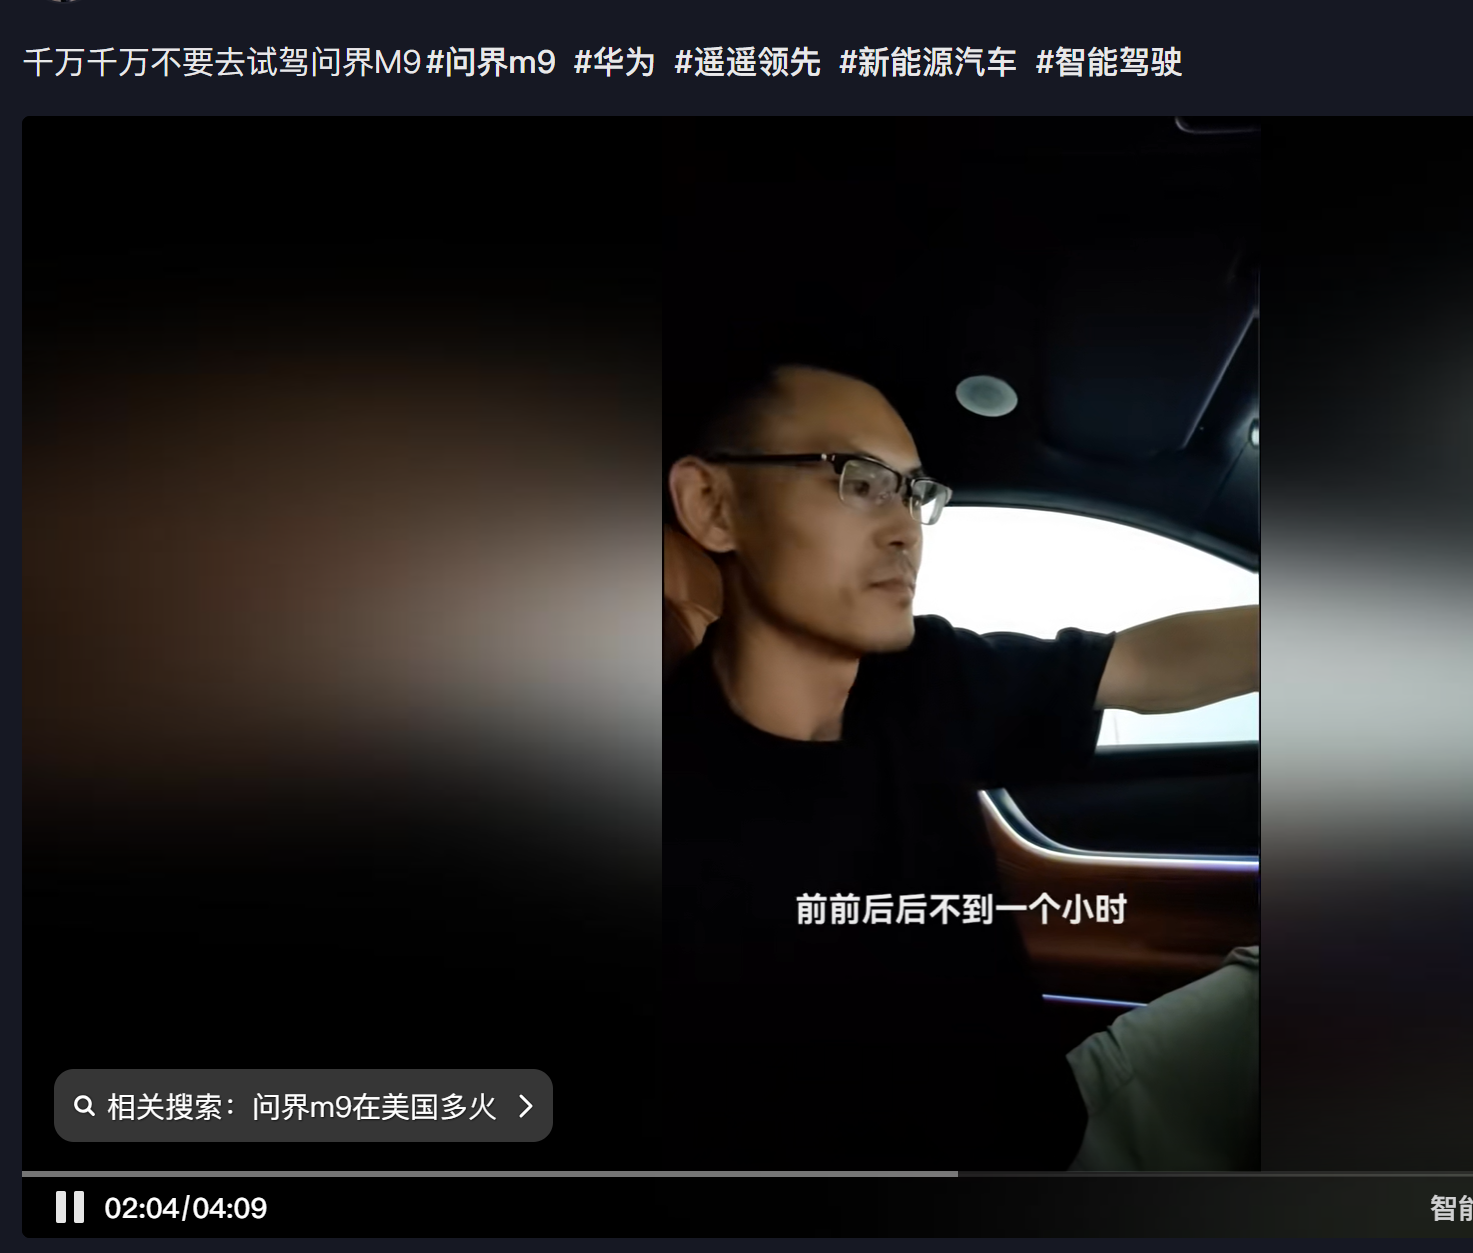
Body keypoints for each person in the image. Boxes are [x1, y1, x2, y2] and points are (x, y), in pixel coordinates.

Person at [662, 362, 1259, 1170]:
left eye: (913, 493)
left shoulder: (921, 678)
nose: (905, 530)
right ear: (711, 504)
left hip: (1063, 1120)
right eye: (859, 480)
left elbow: (1142, 664)